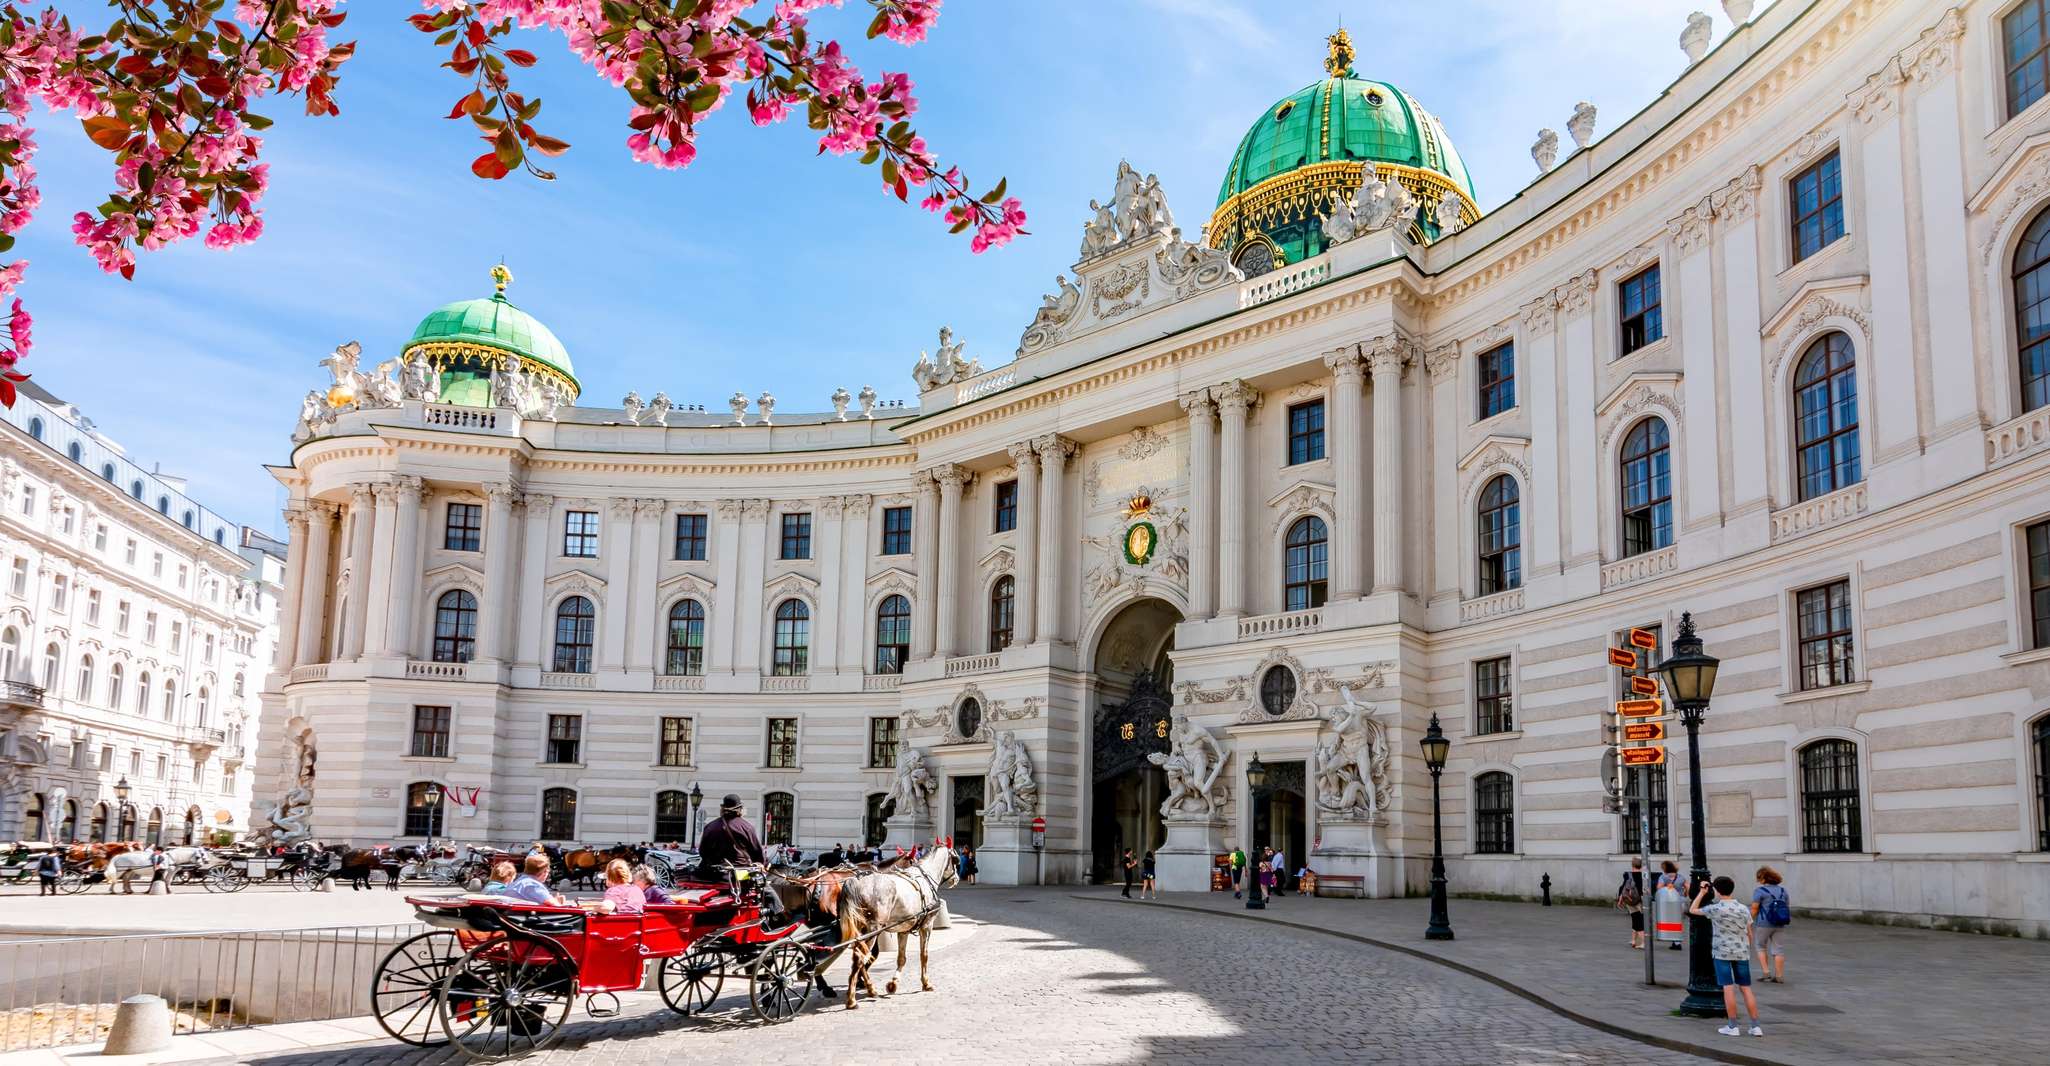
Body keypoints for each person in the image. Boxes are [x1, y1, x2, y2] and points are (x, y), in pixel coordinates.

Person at [1690, 876, 1763, 1038]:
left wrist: (1702, 892)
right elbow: (1749, 932)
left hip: (1722, 952)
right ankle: (1756, 1026)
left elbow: (1693, 909)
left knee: (1728, 987)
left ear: (1716, 890)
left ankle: (1733, 1026)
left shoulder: (1715, 908)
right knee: (1746, 988)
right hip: (1741, 952)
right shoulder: (1743, 908)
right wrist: (1746, 947)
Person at [694, 794, 766, 880]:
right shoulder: (747, 827)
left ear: (722, 809)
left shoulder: (710, 826)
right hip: (739, 875)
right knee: (769, 892)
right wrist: (760, 864)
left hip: (712, 874)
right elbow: (757, 853)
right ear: (740, 809)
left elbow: (703, 852)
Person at [1751, 866, 1791, 983]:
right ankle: (1779, 976)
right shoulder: (1783, 891)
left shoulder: (1760, 891)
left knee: (1760, 946)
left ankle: (1766, 973)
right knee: (1778, 949)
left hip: (1763, 923)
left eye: (1759, 878)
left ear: (1763, 878)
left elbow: (1754, 908)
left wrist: (1749, 920)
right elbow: (1787, 907)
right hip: (1780, 923)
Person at [1656, 860, 1685, 950]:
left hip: (1668, 903)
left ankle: (1675, 941)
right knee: (1678, 922)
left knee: (1671, 921)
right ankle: (1676, 941)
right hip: (1680, 901)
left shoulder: (1663, 877)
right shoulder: (1680, 877)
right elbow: (1688, 886)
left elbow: (1659, 887)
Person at [1619, 856, 1646, 949]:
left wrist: (1620, 899)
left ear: (1632, 865)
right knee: (1639, 920)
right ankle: (1635, 940)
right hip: (1640, 901)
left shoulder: (1628, 875)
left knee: (1636, 920)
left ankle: (1642, 942)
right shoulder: (1644, 875)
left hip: (1630, 901)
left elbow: (1623, 888)